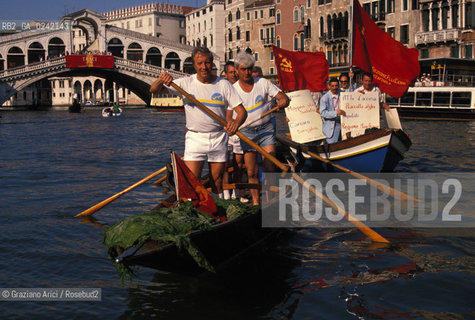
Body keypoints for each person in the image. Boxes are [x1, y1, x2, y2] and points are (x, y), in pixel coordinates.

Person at [150, 47, 247, 198]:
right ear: (194, 65)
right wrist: (161, 79)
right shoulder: (184, 83)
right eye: (200, 63)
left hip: (218, 138)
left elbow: (241, 111)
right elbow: (154, 90)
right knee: (191, 182)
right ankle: (193, 211)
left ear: (212, 63)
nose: (204, 67)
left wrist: (236, 123)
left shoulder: (224, 85)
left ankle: (217, 213)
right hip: (195, 138)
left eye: (207, 63)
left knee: (217, 181)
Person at [233, 52, 290, 205]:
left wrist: (283, 101)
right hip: (246, 133)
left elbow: (283, 97)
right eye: (243, 69)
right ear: (237, 70)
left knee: (270, 167)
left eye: (249, 69)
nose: (247, 73)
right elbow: (227, 115)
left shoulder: (263, 83)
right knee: (251, 171)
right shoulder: (232, 89)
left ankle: (270, 200)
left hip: (265, 130)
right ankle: (257, 203)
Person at [223, 61, 245, 201]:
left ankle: (235, 191)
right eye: (231, 72)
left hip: (240, 130)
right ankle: (226, 193)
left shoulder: (242, 88)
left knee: (238, 163)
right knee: (224, 163)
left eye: (235, 72)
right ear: (226, 74)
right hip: (225, 131)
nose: (234, 75)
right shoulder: (222, 88)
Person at [319, 78, 346, 144]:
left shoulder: (343, 94)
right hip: (332, 127)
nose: (334, 88)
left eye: (336, 86)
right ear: (329, 86)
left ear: (339, 86)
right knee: (332, 146)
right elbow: (322, 113)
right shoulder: (324, 98)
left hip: (344, 124)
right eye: (332, 86)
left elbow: (352, 94)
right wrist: (335, 113)